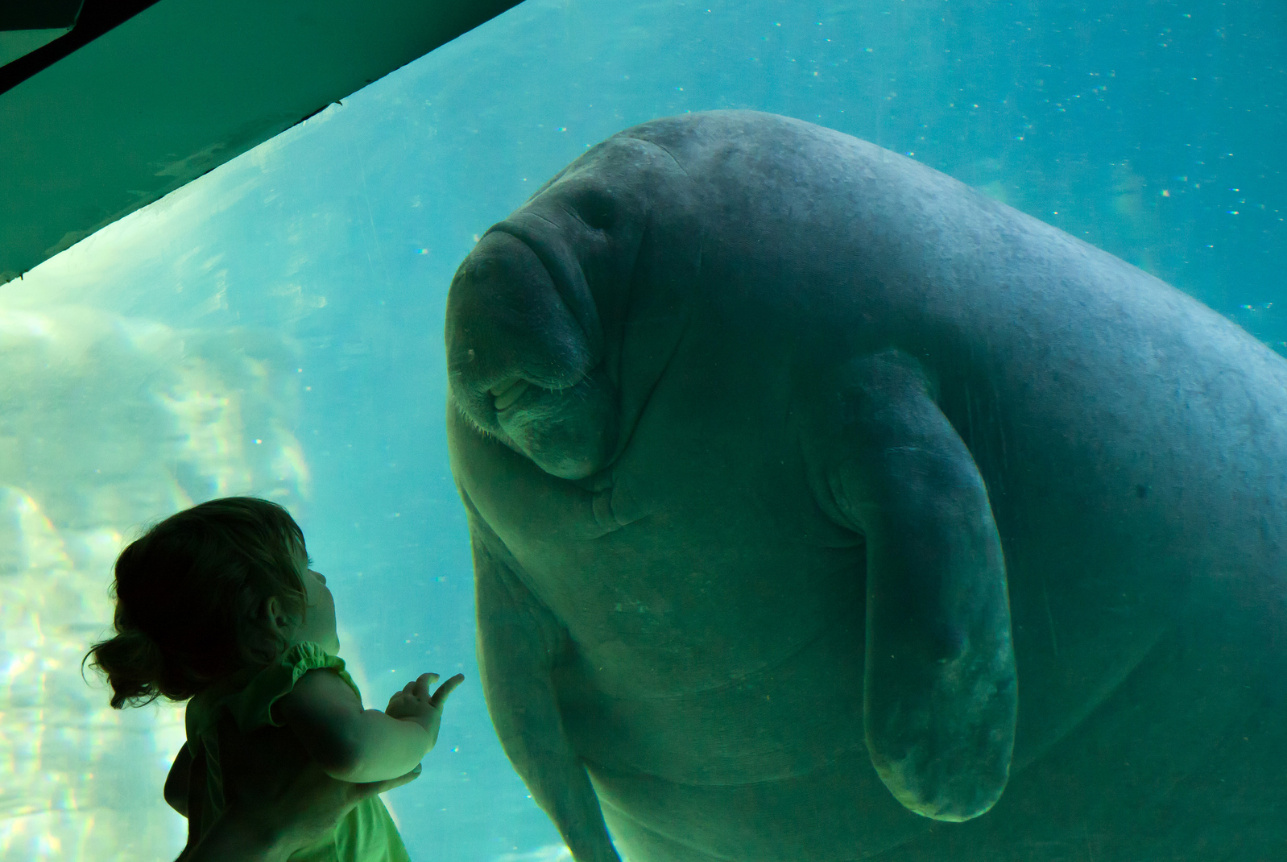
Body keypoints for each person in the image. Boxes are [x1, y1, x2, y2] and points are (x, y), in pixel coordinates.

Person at [84, 496, 464, 861]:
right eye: (306, 567)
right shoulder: (298, 673)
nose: (321, 576)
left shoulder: (213, 707)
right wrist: (414, 730)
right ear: (276, 616)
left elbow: (183, 793)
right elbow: (353, 752)